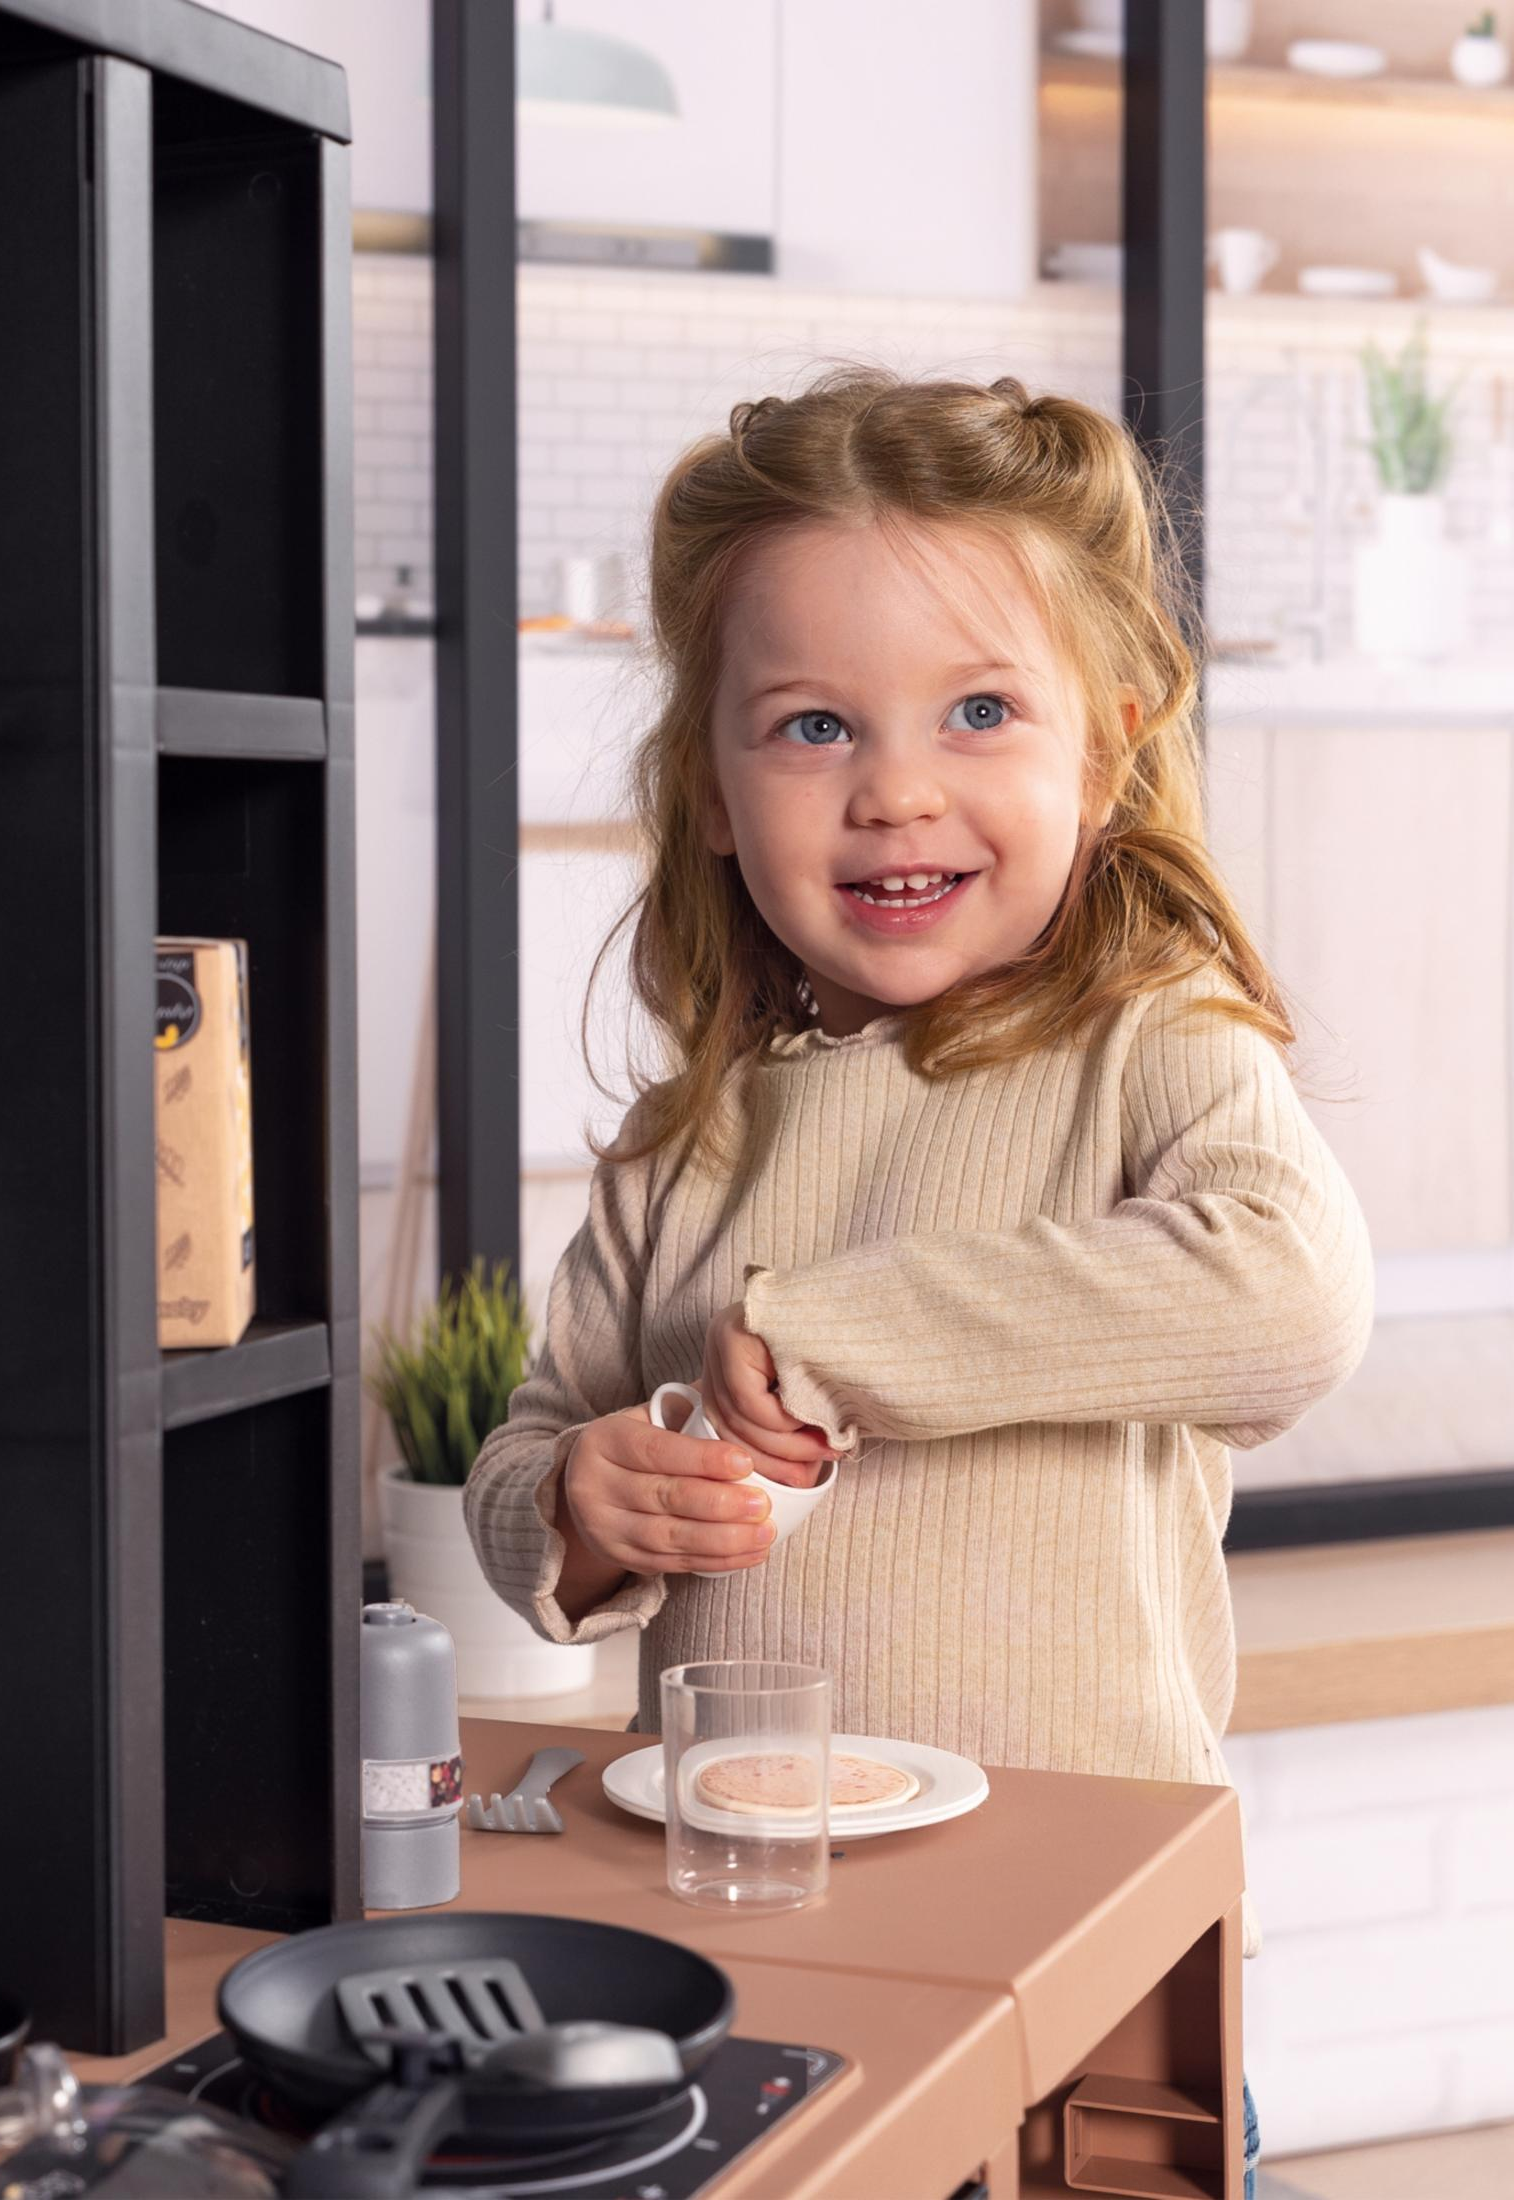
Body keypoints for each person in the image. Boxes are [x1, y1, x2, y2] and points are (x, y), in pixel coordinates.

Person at [464, 369, 1370, 2200]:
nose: (895, 791)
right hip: (746, 1963)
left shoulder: (1154, 1046)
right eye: (809, 727)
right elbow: (525, 1448)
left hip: (1093, 1990)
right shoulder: (684, 1146)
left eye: (978, 711)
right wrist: (579, 1504)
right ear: (712, 796)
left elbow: (1290, 1294)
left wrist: (833, 1337)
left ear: (1100, 761)